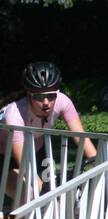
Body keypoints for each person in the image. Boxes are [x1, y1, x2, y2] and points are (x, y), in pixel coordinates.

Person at [2, 62, 97, 204]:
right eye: (39, 97)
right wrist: (36, 182)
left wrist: (99, 162)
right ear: (29, 95)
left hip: (36, 148)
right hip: (4, 155)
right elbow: (25, 165)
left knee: (50, 196)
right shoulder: (14, 114)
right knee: (29, 193)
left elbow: (83, 139)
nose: (46, 102)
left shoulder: (63, 101)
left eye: (51, 96)